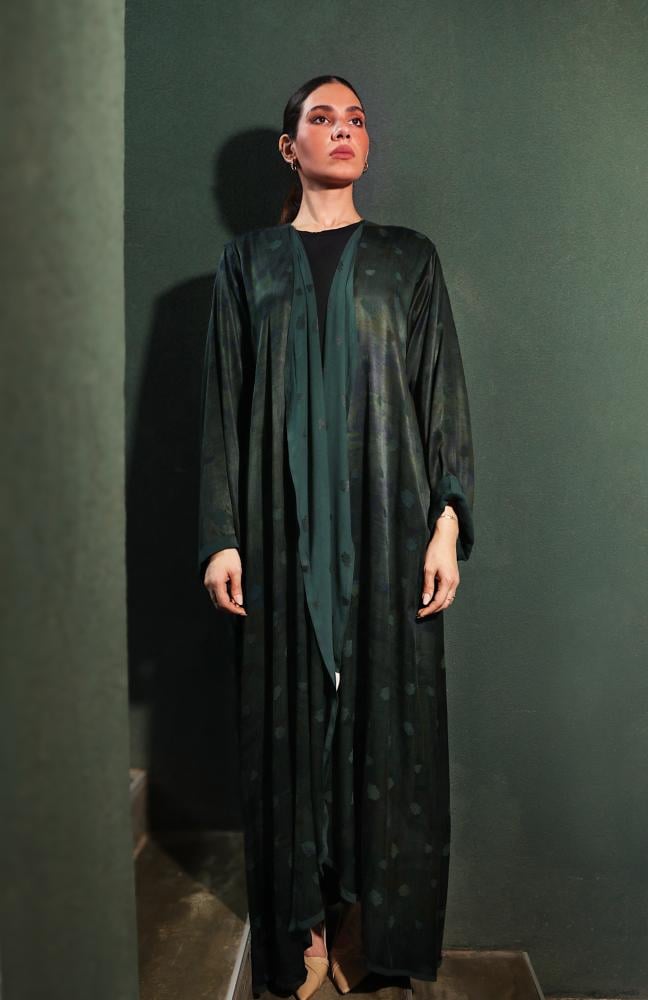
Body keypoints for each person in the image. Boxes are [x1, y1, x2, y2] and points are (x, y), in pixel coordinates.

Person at [198, 74, 476, 999]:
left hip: (389, 533)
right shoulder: (248, 264)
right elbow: (225, 403)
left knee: (389, 734)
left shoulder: (408, 260)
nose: (344, 130)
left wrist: (446, 523)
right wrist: (222, 534)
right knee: (287, 729)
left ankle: (373, 926)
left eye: (355, 118)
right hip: (279, 538)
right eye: (322, 118)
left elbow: (440, 396)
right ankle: (302, 929)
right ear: (291, 148)